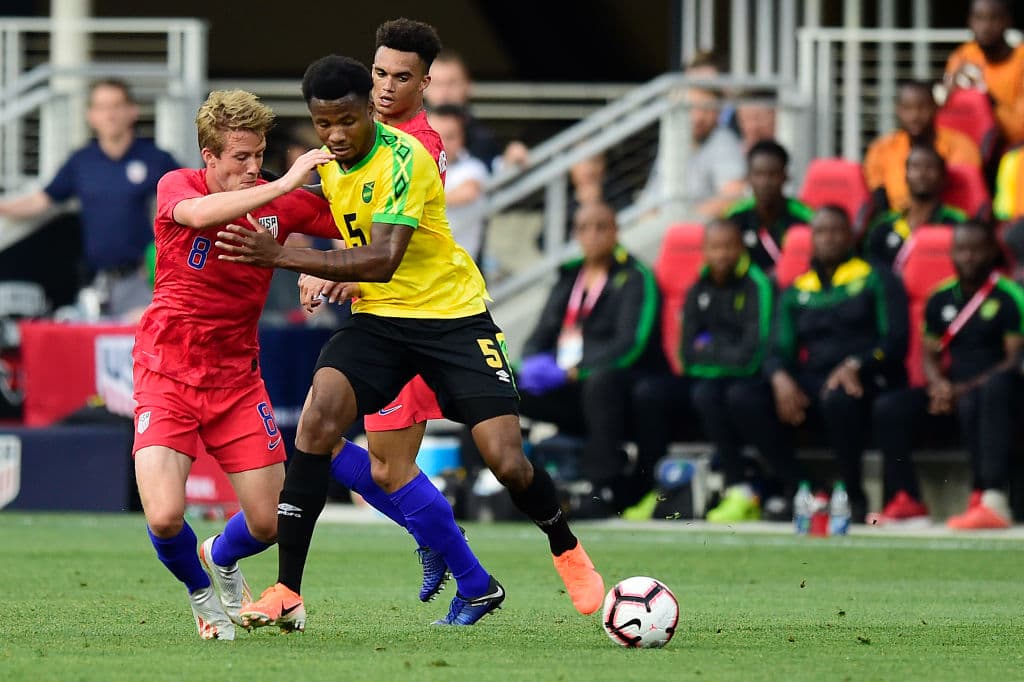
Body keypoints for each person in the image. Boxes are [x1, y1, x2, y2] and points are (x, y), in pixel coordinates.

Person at [220, 55, 604, 631]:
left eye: (345, 121)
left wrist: (287, 257)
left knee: (506, 460)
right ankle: (287, 589)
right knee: (320, 425)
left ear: (368, 111)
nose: (335, 135)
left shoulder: (408, 157)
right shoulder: (326, 166)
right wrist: (224, 195)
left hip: (453, 319)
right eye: (323, 124)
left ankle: (564, 545)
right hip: (382, 321)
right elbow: (298, 213)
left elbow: (382, 258)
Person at [300, 19, 499, 612]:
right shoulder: (363, 133)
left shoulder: (418, 146)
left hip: (415, 316)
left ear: (424, 83)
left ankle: (461, 564)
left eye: (401, 77)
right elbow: (350, 213)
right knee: (340, 448)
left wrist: (331, 266)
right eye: (379, 73)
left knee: (376, 464)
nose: (386, 87)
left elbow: (393, 240)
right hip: (377, 313)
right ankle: (443, 546)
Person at [132, 89, 341, 640]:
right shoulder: (178, 186)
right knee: (164, 516)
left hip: (236, 380)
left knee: (270, 523)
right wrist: (286, 181)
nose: (252, 167)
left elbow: (359, 223)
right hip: (166, 373)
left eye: (259, 155)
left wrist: (327, 267)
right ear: (209, 157)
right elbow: (199, 214)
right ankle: (202, 596)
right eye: (240, 157)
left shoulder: (281, 204)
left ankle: (221, 556)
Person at [631, 219, 800, 521]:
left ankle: (740, 488)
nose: (721, 254)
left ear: (741, 248)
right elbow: (687, 354)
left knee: (716, 395)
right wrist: (721, 351)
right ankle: (652, 487)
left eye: (728, 247)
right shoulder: (697, 288)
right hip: (707, 379)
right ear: (705, 251)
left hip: (747, 380)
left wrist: (709, 348)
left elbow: (751, 355)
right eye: (714, 247)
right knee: (649, 393)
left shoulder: (758, 284)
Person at [759, 205, 909, 523]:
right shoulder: (798, 290)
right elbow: (776, 349)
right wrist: (780, 378)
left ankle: (852, 495)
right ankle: (805, 488)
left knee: (838, 397)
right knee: (747, 397)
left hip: (868, 378)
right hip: (814, 379)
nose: (829, 238)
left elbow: (895, 341)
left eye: (836, 231)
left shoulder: (875, 278)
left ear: (851, 237)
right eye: (821, 232)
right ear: (812, 239)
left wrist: (857, 364)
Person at [513, 200, 662, 516]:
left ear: (615, 231)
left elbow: (630, 344)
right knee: (500, 379)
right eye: (584, 228)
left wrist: (575, 371)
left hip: (614, 384)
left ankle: (600, 487)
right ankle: (494, 481)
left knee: (600, 382)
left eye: (601, 227)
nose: (592, 235)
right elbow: (540, 334)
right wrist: (532, 364)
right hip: (565, 384)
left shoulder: (635, 277)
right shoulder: (568, 277)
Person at [873, 222, 1024, 528]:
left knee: (984, 396)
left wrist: (963, 389)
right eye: (961, 250)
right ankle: (907, 499)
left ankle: (986, 498)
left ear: (991, 252)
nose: (968, 257)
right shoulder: (940, 297)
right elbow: (930, 353)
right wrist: (938, 384)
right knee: (889, 408)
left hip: (996, 392)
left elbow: (1013, 360)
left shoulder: (1010, 296)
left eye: (976, 249)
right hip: (950, 390)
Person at [0, 79, 180, 318]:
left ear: (132, 111)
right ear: (91, 115)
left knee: (142, 339)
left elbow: (188, 203)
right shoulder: (81, 161)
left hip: (143, 280)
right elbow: (41, 201)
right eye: (102, 107)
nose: (110, 115)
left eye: (116, 106)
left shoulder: (157, 159)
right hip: (95, 282)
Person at [863, 81, 981, 214]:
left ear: (935, 108)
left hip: (947, 218)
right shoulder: (881, 148)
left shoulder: (961, 146)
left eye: (922, 107)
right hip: (898, 220)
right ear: (898, 110)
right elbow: (878, 199)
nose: (915, 116)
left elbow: (962, 193)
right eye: (907, 108)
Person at [863, 145, 966, 270]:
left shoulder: (957, 222)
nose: (922, 174)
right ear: (905, 176)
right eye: (915, 167)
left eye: (930, 167)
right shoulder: (884, 225)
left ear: (943, 177)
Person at [426, 50, 529, 172]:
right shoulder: (408, 133)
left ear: (468, 85)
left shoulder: (483, 137)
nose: (445, 92)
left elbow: (494, 169)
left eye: (452, 83)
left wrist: (509, 161)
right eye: (437, 84)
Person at [724, 140, 814, 274]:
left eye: (772, 174)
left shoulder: (805, 218)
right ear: (748, 178)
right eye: (758, 174)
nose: (765, 182)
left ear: (785, 177)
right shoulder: (735, 217)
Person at [945, 0, 1024, 146]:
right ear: (970, 21)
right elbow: (947, 116)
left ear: (1008, 21)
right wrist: (950, 92)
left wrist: (987, 99)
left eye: (994, 18)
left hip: (1012, 149)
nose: (986, 26)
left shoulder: (1021, 60)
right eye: (979, 18)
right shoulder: (963, 56)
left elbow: (1020, 131)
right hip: (971, 148)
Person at [427, 104, 490, 264]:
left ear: (463, 138)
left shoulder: (472, 168)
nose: (441, 143)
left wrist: (417, 198)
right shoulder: (411, 165)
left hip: (457, 266)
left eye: (450, 137)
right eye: (434, 135)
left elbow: (468, 193)